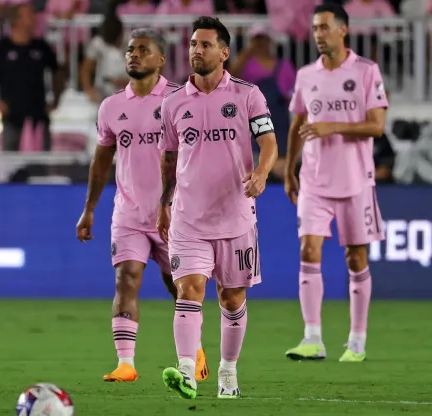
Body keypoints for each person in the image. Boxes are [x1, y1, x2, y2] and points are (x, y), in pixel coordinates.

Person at [76, 28, 210, 384]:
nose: (134, 55)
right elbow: (102, 161)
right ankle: (126, 363)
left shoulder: (181, 100)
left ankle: (194, 350)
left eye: (143, 50)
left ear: (161, 60)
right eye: (130, 50)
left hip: (176, 214)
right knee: (126, 279)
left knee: (178, 285)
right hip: (129, 214)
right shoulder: (111, 106)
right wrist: (89, 208)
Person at [158, 17, 278, 399]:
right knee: (189, 290)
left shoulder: (247, 96)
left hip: (236, 217)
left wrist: (261, 172)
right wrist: (164, 202)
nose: (197, 50)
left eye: (206, 44)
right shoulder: (173, 102)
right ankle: (187, 372)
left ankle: (228, 373)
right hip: (189, 217)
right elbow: (168, 158)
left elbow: (270, 143)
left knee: (232, 298)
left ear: (224, 53)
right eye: (194, 43)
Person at [283, 3, 389, 363]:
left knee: (355, 258)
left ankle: (356, 341)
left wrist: (333, 126)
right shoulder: (305, 76)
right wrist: (289, 169)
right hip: (313, 179)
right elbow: (298, 124)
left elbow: (377, 126)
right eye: (315, 28)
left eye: (325, 27)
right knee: (308, 251)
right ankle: (312, 338)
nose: (318, 34)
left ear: (343, 30)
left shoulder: (365, 71)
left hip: (356, 180)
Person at [0, 3, 66, 151]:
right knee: (10, 162)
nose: (34, 18)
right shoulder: (1, 48)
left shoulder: (41, 47)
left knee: (43, 162)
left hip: (38, 113)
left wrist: (56, 99)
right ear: (17, 20)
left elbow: (58, 73)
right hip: (12, 114)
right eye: (29, 15)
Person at [229, 24, 295, 180]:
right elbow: (229, 79)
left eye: (262, 39)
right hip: (251, 125)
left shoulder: (283, 66)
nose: (259, 44)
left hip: (278, 126)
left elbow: (293, 96)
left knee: (279, 169)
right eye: (256, 40)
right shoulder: (246, 64)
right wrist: (246, 53)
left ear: (270, 41)